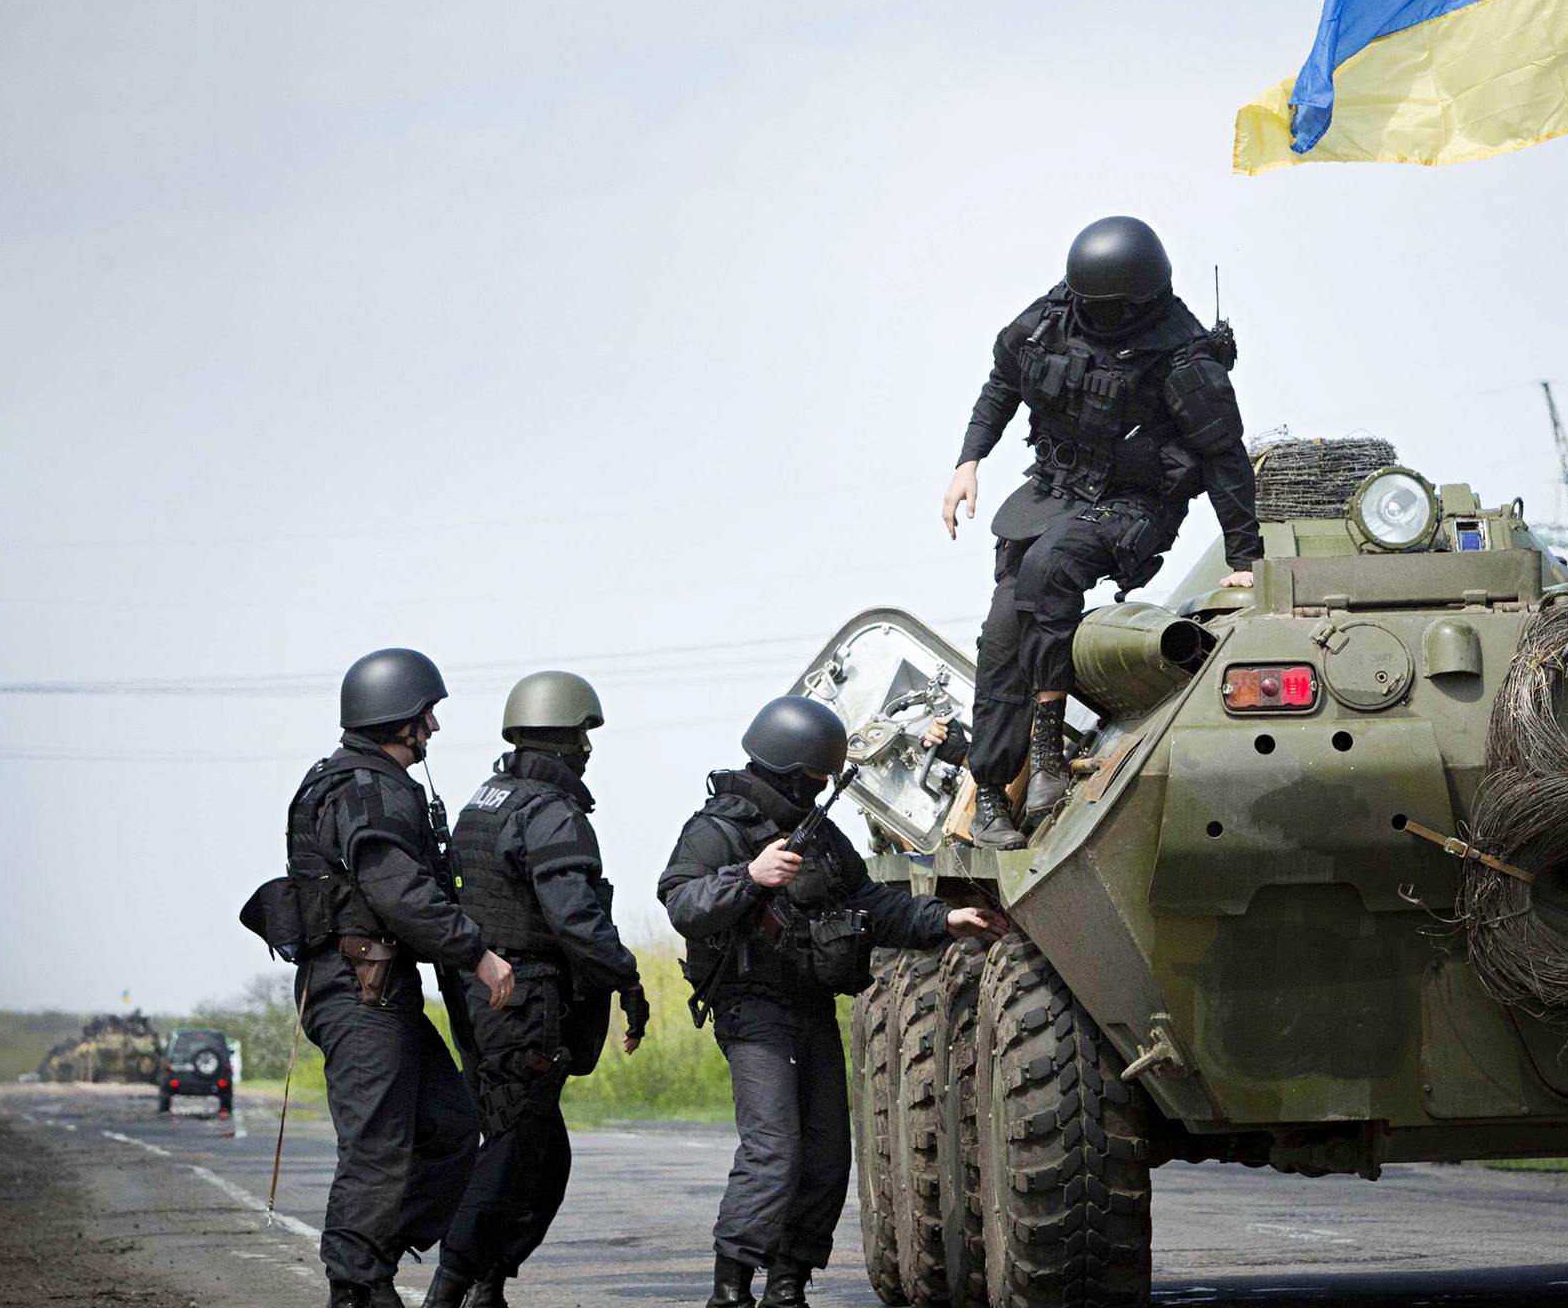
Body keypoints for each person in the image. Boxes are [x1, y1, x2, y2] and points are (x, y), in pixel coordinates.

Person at [659, 696, 1006, 1308]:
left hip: (810, 1006)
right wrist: (749, 876)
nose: (820, 790)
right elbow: (682, 902)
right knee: (773, 1151)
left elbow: (872, 902)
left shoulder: (818, 837)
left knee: (825, 1154)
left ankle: (788, 1284)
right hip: (752, 1014)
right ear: (791, 771)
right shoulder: (715, 830)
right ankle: (731, 1286)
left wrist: (944, 919)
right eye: (815, 779)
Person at [940, 215, 1260, 848]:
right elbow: (1003, 381)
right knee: (1004, 635)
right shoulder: (1052, 317)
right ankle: (993, 801)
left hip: (1134, 502)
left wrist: (1245, 554)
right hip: (1054, 489)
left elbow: (1225, 456)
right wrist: (968, 460)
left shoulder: (1182, 353)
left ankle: (1050, 753)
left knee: (1050, 567)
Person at [286, 648, 515, 1308]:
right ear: (396, 716)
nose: (433, 729)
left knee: (448, 1125)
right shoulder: (368, 788)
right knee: (378, 1148)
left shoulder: (352, 781)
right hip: (358, 989)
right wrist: (478, 953)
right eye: (427, 715)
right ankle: (357, 1287)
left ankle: (370, 1255)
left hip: (376, 990)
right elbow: (398, 890)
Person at [426, 672, 652, 1308]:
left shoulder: (484, 802)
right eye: (583, 733)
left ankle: (487, 1283)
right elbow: (575, 919)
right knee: (510, 1151)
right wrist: (627, 977)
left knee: (540, 1160)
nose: (588, 746)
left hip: (481, 1001)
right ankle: (449, 1289)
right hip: (525, 1002)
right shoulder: (551, 813)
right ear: (562, 736)